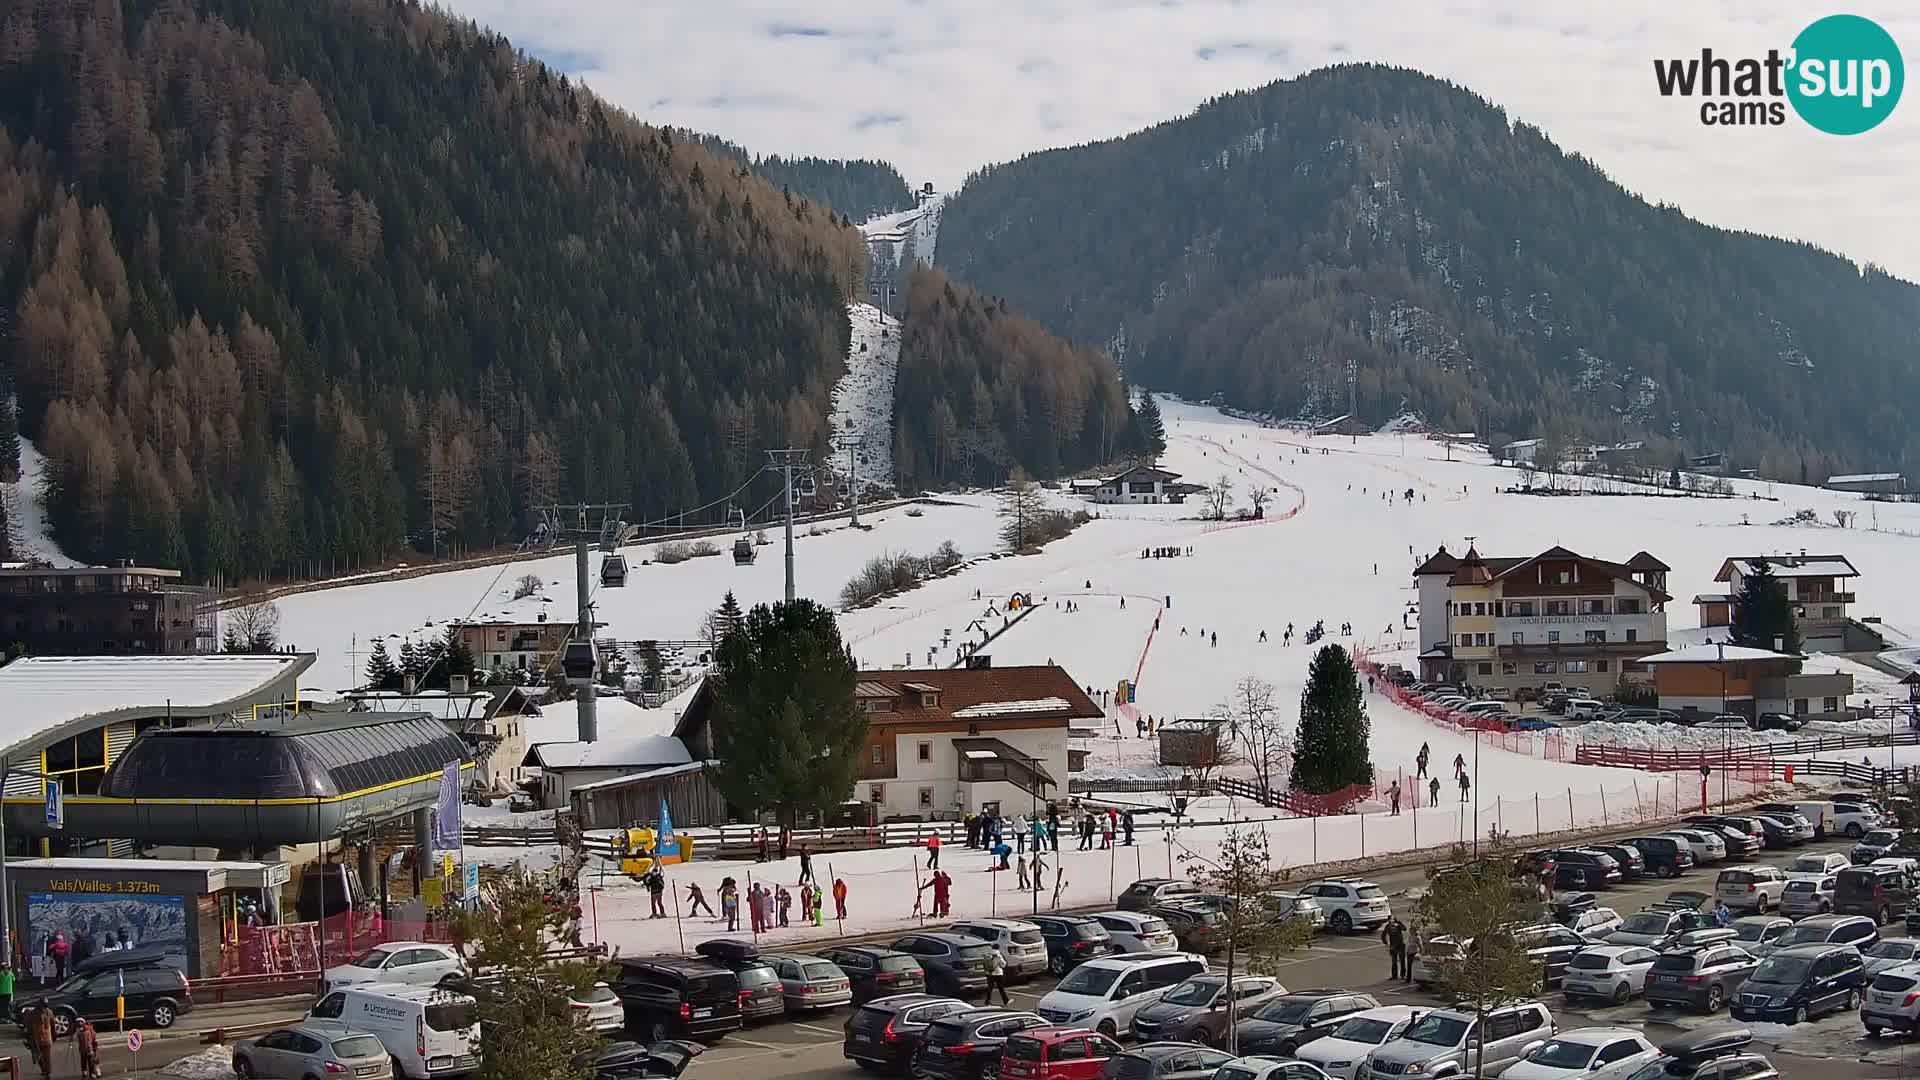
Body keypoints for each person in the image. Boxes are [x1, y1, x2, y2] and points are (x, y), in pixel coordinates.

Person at [28, 999, 54, 1079]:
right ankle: (45, 1071)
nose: (44, 1008)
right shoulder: (33, 1013)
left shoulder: (48, 1012)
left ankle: (47, 1072)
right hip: (38, 1039)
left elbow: (52, 1024)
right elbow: (29, 1026)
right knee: (40, 1056)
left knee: (45, 1057)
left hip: (44, 1039)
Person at [1380, 916, 1410, 982]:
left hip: (1400, 945)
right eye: (1391, 920)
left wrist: (1399, 923)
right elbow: (1383, 935)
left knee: (1402, 960)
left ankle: (1403, 974)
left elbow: (1404, 928)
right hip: (1393, 946)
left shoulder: (1398, 925)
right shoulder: (1388, 926)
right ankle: (1394, 975)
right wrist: (1385, 943)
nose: (1392, 921)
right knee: (1394, 961)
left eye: (1393, 920)